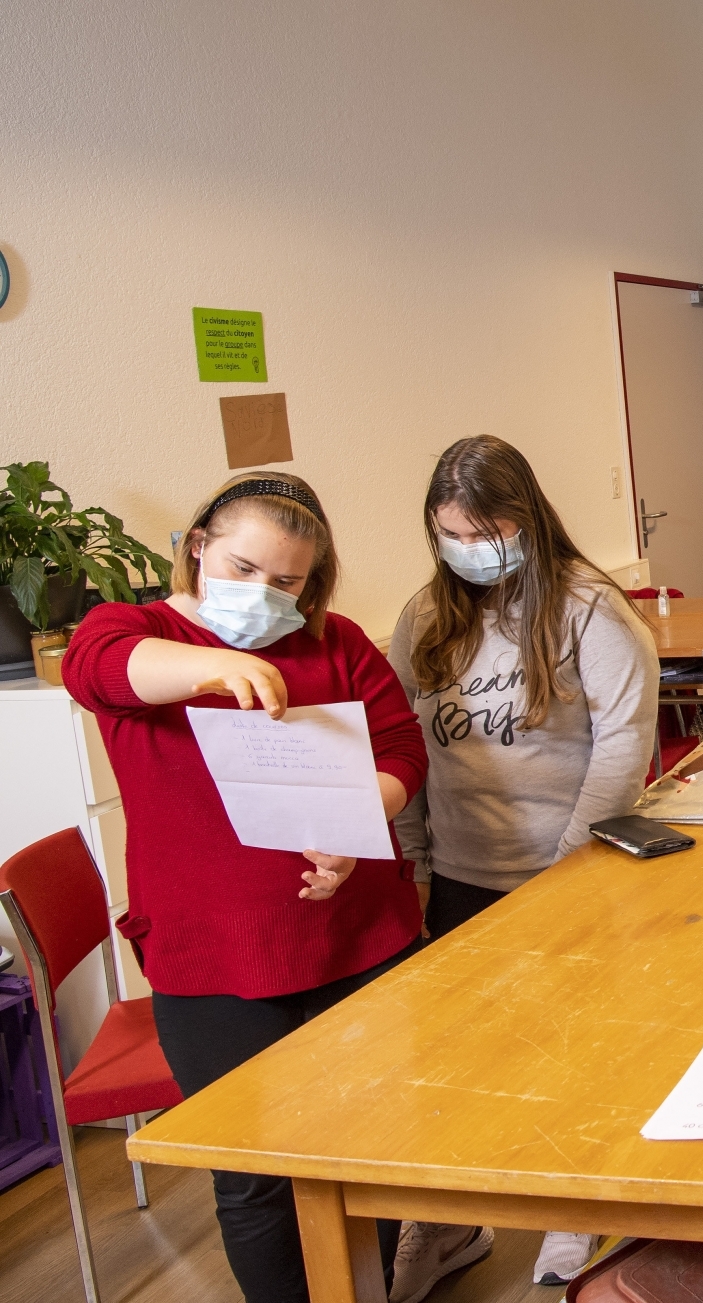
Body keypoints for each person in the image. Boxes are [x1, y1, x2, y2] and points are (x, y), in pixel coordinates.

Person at [63, 473, 426, 1303]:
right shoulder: (137, 630)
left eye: (288, 582)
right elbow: (96, 669)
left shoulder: (338, 644)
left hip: (359, 939)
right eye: (243, 568)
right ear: (197, 545)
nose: (264, 594)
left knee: (359, 1153)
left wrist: (354, 823)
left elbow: (403, 748)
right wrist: (213, 663)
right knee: (254, 1175)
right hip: (216, 960)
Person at [386, 435, 659, 1296]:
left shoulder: (587, 606)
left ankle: (570, 1218)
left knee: (568, 1060)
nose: (471, 548)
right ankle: (448, 1221)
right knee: (465, 1062)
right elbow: (405, 744)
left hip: (568, 868)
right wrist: (417, 859)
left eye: (487, 529)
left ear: (526, 521)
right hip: (465, 873)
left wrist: (568, 860)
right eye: (450, 532)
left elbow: (623, 741)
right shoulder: (424, 616)